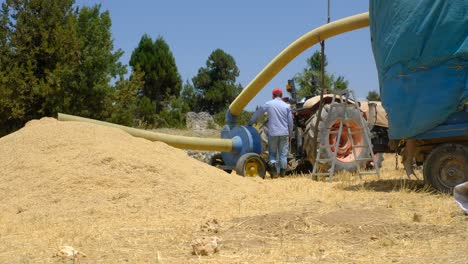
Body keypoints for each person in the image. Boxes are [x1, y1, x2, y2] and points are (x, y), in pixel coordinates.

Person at [248, 88, 293, 178]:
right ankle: (282, 174)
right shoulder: (287, 106)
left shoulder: (269, 104)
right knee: (283, 155)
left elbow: (257, 113)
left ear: (273, 96)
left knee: (272, 153)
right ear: (281, 96)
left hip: (273, 133)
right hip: (284, 133)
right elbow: (290, 122)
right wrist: (290, 134)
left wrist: (250, 123)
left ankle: (274, 173)